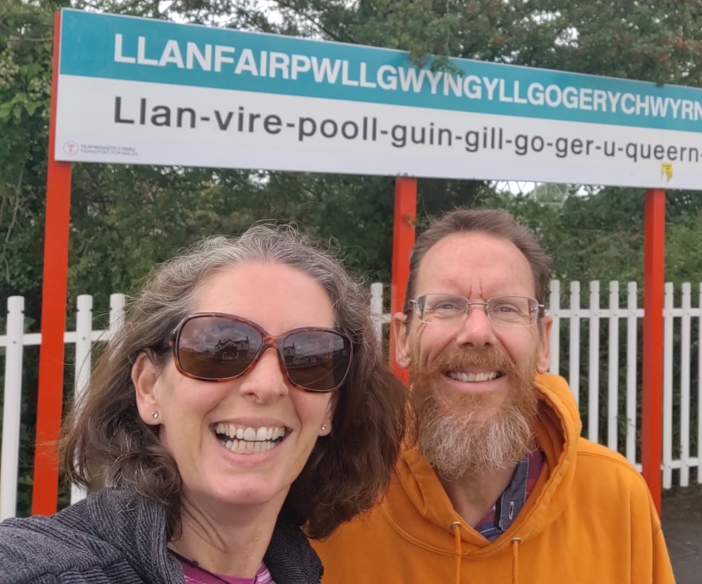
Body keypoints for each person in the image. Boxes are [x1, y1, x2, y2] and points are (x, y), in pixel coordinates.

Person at [0, 225, 406, 584]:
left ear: (331, 407)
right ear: (149, 387)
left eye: (310, 356)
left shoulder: (300, 569)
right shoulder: (40, 570)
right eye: (219, 348)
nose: (267, 386)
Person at [314, 209, 675, 583]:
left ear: (543, 343)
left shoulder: (616, 496)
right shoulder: (336, 499)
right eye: (446, 305)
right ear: (403, 340)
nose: (477, 332)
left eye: (506, 307)